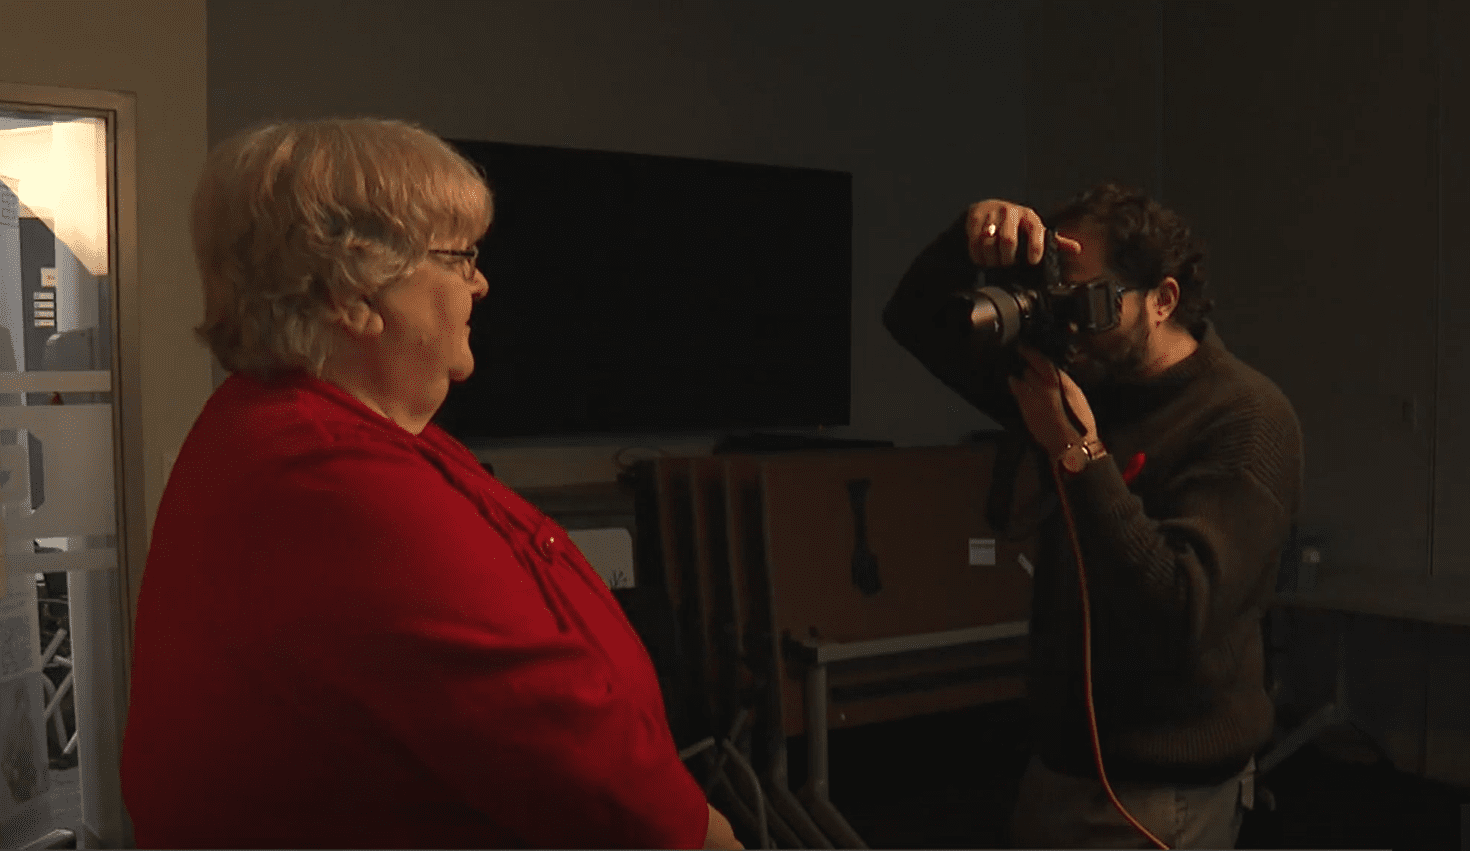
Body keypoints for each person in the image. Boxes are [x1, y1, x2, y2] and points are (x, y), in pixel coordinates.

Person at [121, 117, 742, 850]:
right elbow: (542, 723)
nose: (480, 282)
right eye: (457, 257)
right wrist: (704, 832)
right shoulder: (331, 480)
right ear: (352, 293)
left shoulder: (336, 432)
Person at [884, 184, 1303, 849]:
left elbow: (1180, 609)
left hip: (1162, 790)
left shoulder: (1245, 418)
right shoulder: (1086, 377)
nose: (1070, 325)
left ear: (1163, 299)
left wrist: (1079, 453)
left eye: (1090, 300)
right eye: (1059, 295)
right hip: (1059, 764)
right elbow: (915, 319)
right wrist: (969, 238)